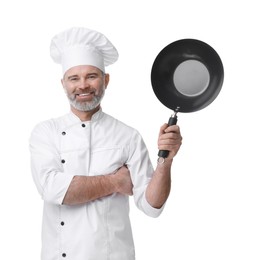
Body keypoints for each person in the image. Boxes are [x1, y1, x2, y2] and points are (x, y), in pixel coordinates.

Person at [29, 27, 182, 260]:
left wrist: (166, 161)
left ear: (106, 80)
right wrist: (115, 182)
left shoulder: (127, 136)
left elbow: (152, 206)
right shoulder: (45, 132)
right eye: (74, 78)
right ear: (63, 84)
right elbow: (52, 189)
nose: (83, 86)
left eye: (91, 76)